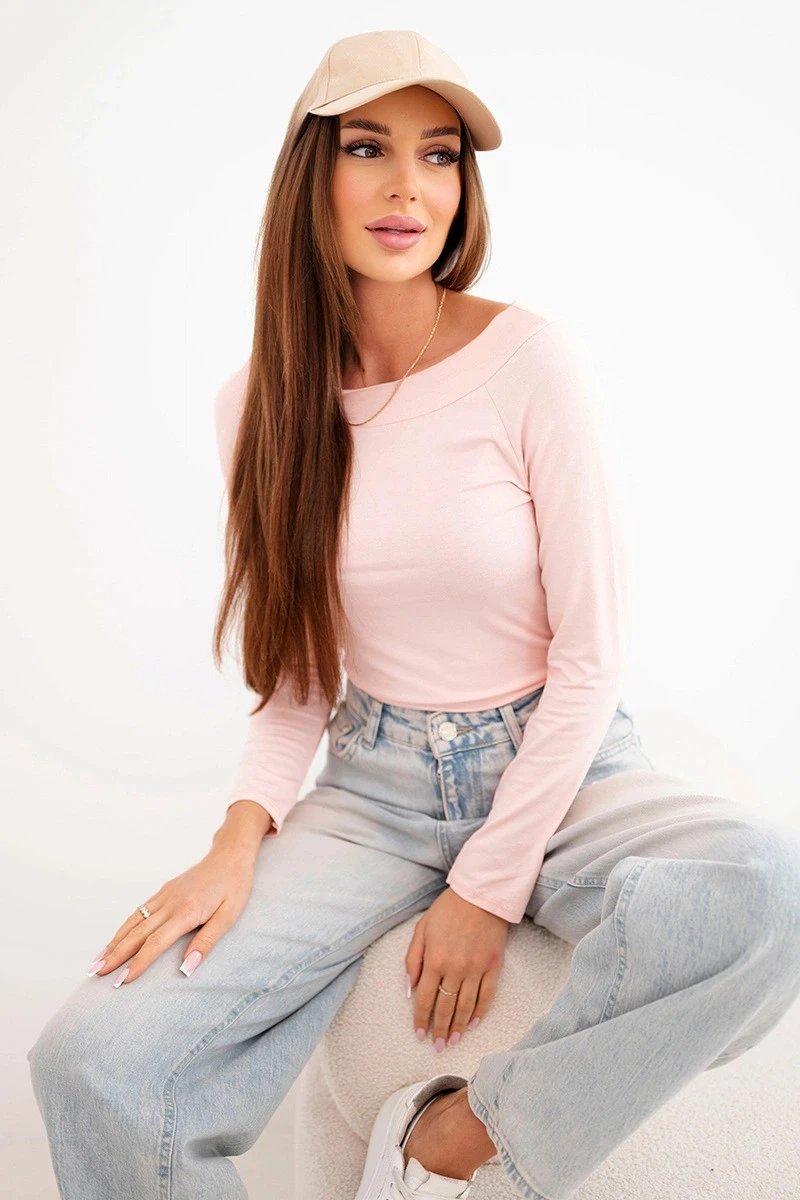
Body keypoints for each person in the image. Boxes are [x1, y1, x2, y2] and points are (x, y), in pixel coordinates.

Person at [26, 29, 800, 1200]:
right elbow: (296, 674)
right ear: (311, 173)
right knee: (90, 1063)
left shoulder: (532, 361)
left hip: (558, 762)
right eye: (367, 148)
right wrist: (237, 839)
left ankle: (457, 1140)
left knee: (766, 886)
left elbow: (590, 656)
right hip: (371, 791)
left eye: (438, 156)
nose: (408, 187)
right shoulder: (259, 404)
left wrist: (486, 886)